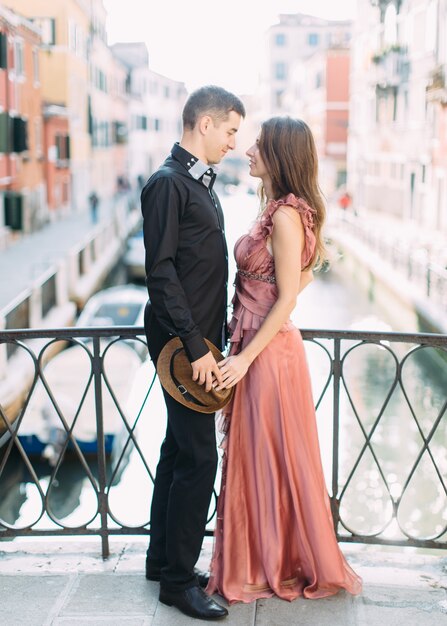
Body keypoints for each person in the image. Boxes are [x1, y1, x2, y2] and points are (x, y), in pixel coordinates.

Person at [206, 117, 363, 604]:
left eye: (258, 145)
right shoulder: (277, 210)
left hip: (267, 354)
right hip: (258, 345)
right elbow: (303, 277)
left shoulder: (286, 216)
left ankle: (266, 563)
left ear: (278, 155)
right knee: (258, 456)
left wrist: (246, 357)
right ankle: (259, 559)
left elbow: (289, 297)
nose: (248, 150)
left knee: (267, 455)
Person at [141, 85, 245, 621]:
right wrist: (194, 347)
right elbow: (160, 272)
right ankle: (178, 583)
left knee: (178, 450)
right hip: (184, 348)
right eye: (229, 131)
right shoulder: (166, 183)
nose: (234, 142)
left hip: (198, 341)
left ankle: (162, 561)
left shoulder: (196, 182)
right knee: (199, 457)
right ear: (203, 125)